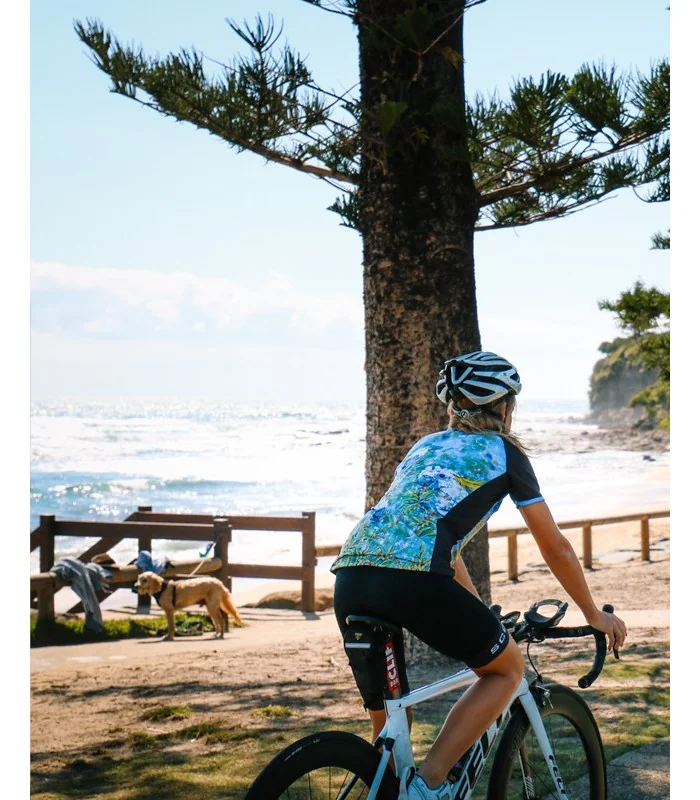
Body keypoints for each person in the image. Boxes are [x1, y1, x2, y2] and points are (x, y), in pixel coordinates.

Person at [331, 351, 627, 800]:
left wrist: (475, 609)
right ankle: (428, 787)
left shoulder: (425, 447)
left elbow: (438, 544)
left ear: (453, 405)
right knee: (505, 670)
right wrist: (594, 614)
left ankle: (394, 787)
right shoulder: (505, 453)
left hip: (351, 576)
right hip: (414, 582)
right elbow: (555, 546)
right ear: (503, 406)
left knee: (393, 732)